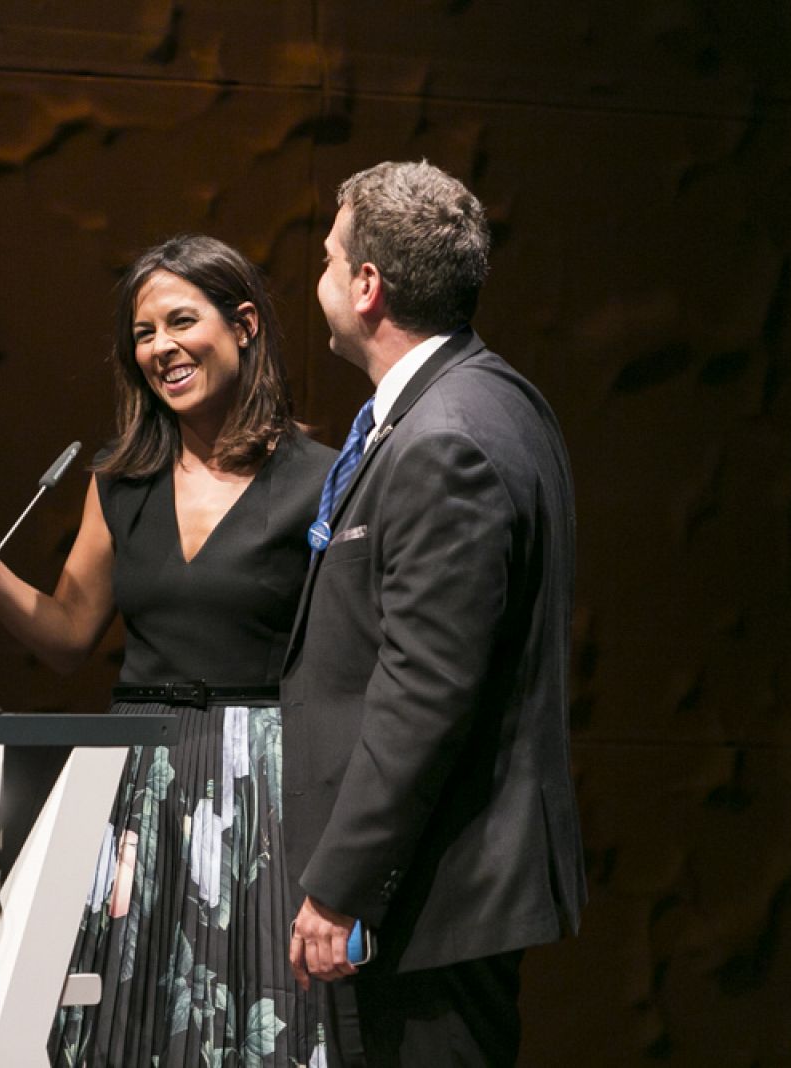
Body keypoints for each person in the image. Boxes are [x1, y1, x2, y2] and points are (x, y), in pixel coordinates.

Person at [0, 234, 334, 1066]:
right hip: (138, 776)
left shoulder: (320, 479)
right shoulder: (119, 481)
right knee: (126, 1025)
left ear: (244, 324)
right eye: (143, 333)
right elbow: (68, 634)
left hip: (264, 785)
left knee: (252, 1025)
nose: (161, 348)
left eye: (182, 321)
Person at [281, 159, 586, 1067]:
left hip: (436, 890)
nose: (322, 276)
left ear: (368, 287)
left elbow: (427, 691)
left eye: (332, 260)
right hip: (434, 885)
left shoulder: (445, 438)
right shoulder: (484, 396)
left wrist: (340, 885)